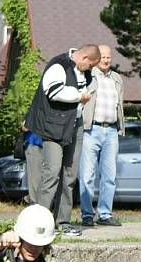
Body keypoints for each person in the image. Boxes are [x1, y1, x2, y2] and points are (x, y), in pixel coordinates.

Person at [24, 44, 100, 236]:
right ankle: (39, 222)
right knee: (52, 173)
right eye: (90, 65)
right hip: (53, 128)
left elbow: (88, 86)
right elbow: (53, 92)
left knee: (70, 176)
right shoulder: (58, 66)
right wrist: (79, 96)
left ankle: (63, 221)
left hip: (75, 126)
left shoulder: (85, 72)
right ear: (83, 58)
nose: (90, 70)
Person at [78, 44, 124, 227]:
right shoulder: (89, 75)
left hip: (111, 130)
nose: (106, 60)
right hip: (91, 130)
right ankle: (87, 214)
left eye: (108, 57)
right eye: (103, 57)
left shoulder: (117, 79)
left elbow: (119, 104)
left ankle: (105, 214)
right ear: (97, 59)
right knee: (87, 175)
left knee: (109, 176)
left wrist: (121, 126)